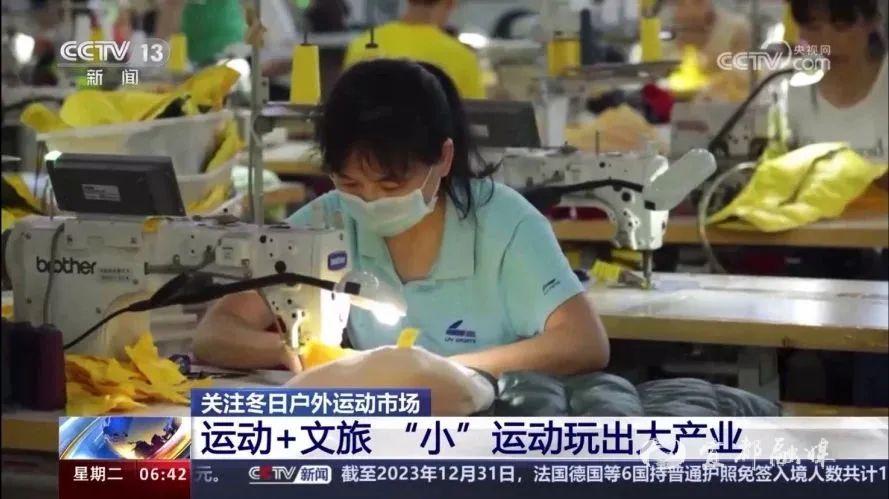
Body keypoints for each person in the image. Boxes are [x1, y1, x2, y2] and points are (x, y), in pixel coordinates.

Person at [193, 59, 609, 378]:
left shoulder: (504, 224)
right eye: (351, 183)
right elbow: (216, 333)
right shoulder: (328, 220)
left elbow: (584, 342)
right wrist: (294, 351)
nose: (370, 201)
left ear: (443, 158)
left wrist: (439, 372)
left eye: (391, 186)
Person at [786, 0, 888, 166]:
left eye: (841, 26)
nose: (826, 40)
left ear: (871, 23)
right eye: (813, 27)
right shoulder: (798, 90)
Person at [343, 0, 485, 99]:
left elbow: (344, 105)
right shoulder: (462, 56)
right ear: (450, 3)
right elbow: (477, 119)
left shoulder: (364, 43)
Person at [663, 0, 753, 73]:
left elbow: (743, 73)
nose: (691, 10)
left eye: (697, 2)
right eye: (680, 3)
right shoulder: (661, 30)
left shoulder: (736, 29)